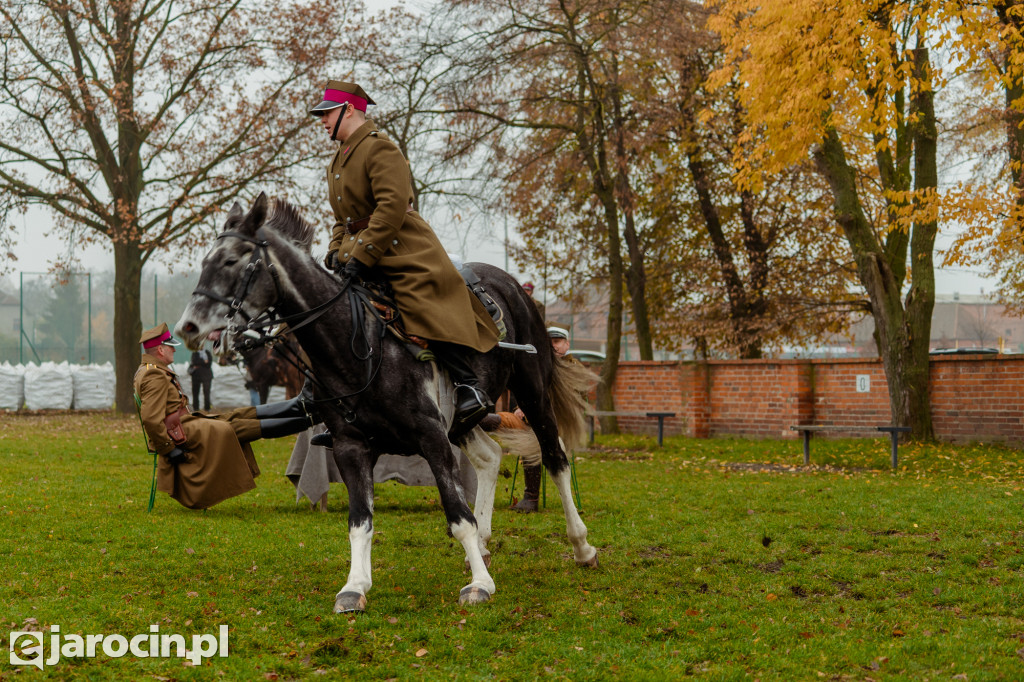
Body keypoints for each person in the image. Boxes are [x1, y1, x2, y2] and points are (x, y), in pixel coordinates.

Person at [308, 80, 499, 436]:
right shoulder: (338, 159)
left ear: (349, 110)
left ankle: (468, 384)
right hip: (361, 245)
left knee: (418, 298)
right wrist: (335, 252)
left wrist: (363, 255)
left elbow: (392, 207)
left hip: (401, 246)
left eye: (326, 113)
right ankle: (338, 405)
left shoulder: (380, 149)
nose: (321, 120)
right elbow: (341, 219)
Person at [134, 323, 317, 510]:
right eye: (170, 346)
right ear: (160, 349)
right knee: (232, 428)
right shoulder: (153, 375)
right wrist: (168, 449)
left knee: (236, 415)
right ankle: (308, 420)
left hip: (185, 424)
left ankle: (298, 405)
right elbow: (150, 418)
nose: (173, 349)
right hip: (180, 432)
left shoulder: (152, 370)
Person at [481, 326, 574, 513]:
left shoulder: (571, 367)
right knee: (485, 421)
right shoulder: (537, 365)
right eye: (550, 343)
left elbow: (569, 401)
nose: (553, 346)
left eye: (557, 342)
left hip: (555, 424)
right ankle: (478, 420)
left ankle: (531, 497)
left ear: (566, 344)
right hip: (525, 420)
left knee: (533, 436)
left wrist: (529, 408)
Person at [188, 345, 214, 410]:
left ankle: (207, 408)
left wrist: (199, 363)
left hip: (206, 375)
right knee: (195, 392)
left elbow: (209, 363)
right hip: (196, 376)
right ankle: (196, 408)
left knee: (206, 392)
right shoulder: (195, 352)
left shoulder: (207, 352)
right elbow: (194, 361)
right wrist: (204, 361)